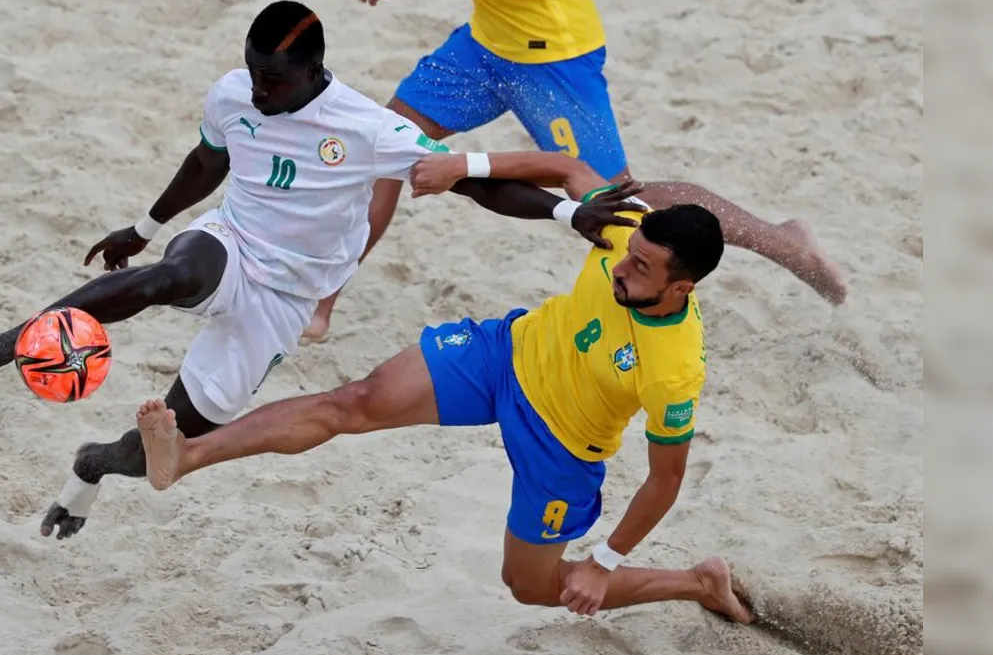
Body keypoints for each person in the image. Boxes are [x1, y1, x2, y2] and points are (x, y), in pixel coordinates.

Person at [0, 0, 641, 540]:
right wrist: (143, 228)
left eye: (272, 81)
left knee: (167, 444)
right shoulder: (233, 95)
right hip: (231, 243)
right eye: (251, 75)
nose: (256, 92)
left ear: (314, 73)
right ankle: (1, 347)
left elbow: (470, 183)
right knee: (166, 276)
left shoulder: (367, 128)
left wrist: (562, 215)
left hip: (283, 300)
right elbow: (205, 164)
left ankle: (88, 469)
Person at [131, 158, 756, 621]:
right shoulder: (628, 227)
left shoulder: (674, 369)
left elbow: (664, 480)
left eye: (641, 268)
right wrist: (465, 166)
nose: (621, 266)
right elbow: (568, 168)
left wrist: (606, 560)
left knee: (534, 587)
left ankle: (698, 583)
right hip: (507, 355)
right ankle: (188, 454)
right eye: (629, 253)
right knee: (355, 402)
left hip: (563, 448)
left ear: (682, 289)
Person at [302, 0, 847, 340]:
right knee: (386, 148)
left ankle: (786, 243)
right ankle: (322, 299)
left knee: (619, 198)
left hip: (551, 56)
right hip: (485, 44)